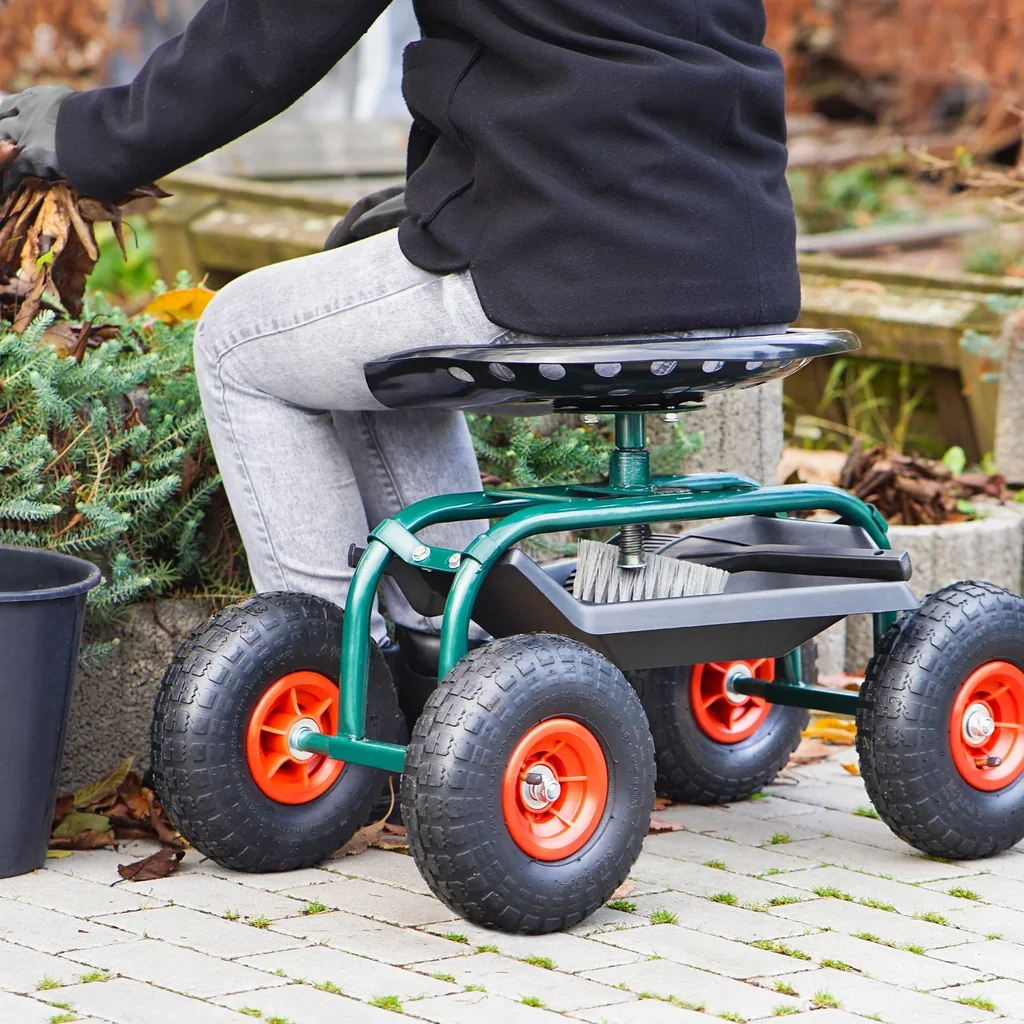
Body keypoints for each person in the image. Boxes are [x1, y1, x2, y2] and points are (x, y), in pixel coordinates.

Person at [0, 0, 799, 679]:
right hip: (742, 263)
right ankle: (470, 656)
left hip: (562, 254)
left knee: (242, 340)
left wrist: (90, 131)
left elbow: (272, 32)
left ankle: (336, 678)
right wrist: (447, 196)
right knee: (358, 342)